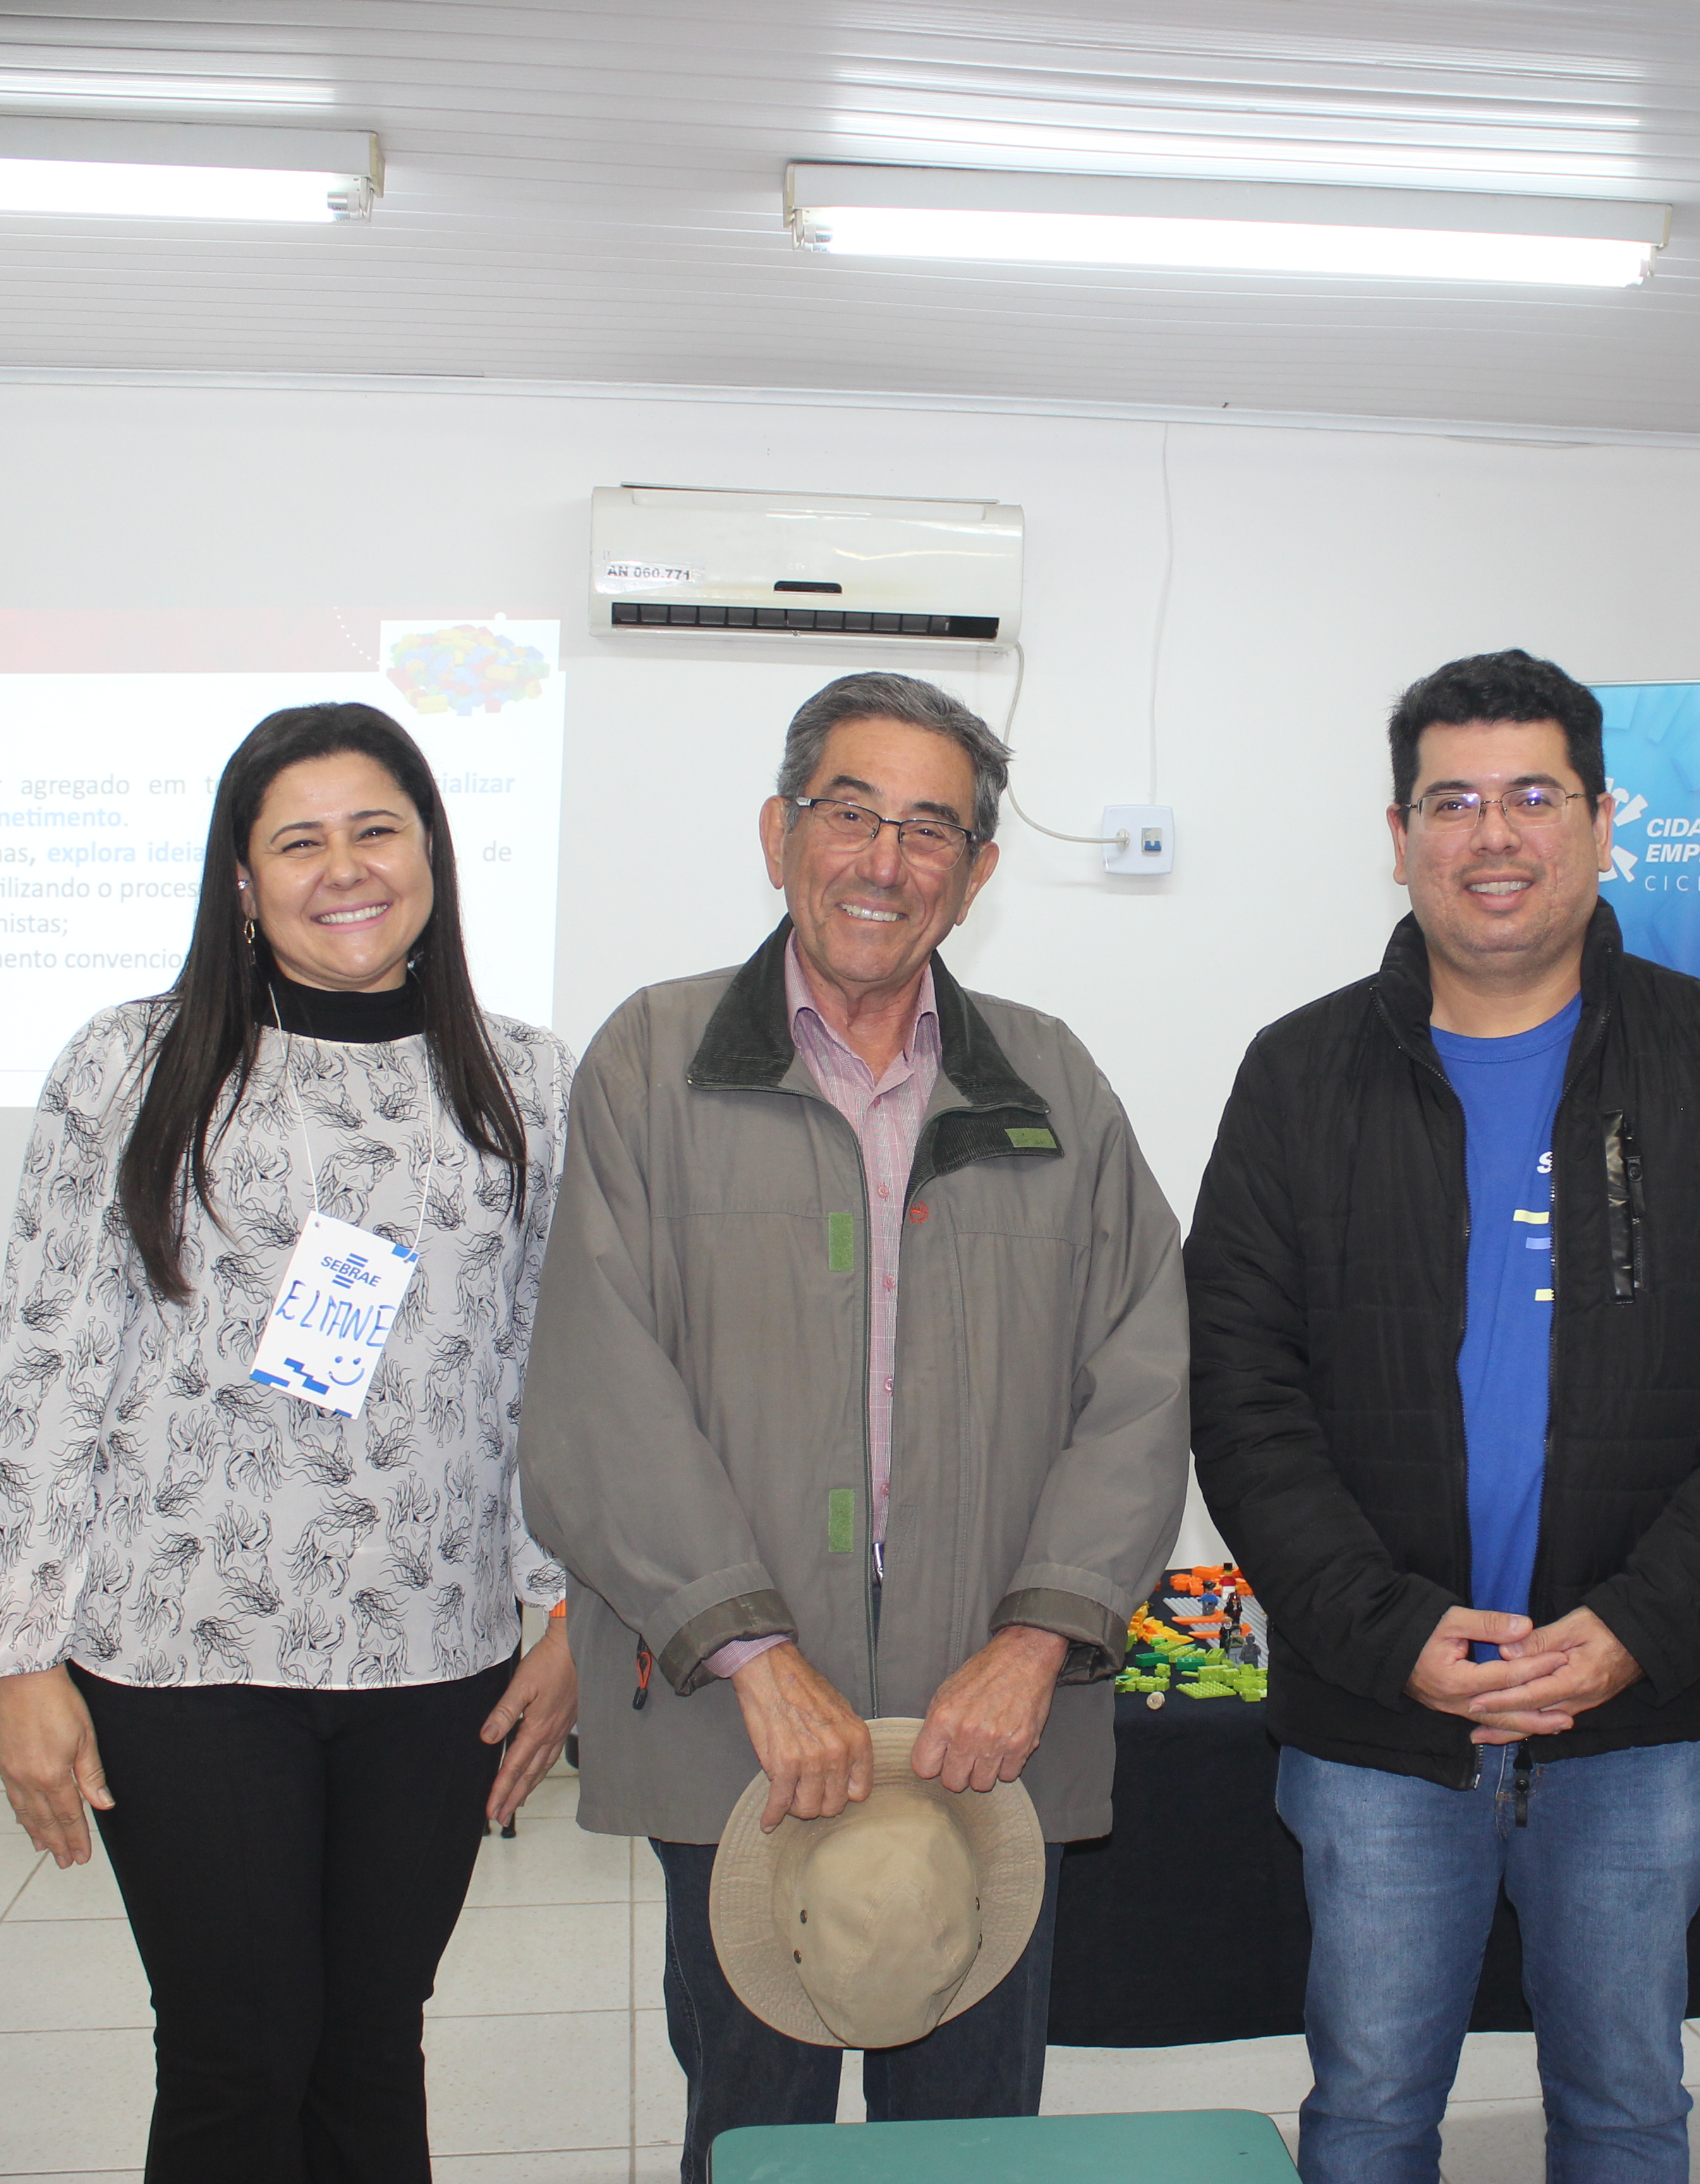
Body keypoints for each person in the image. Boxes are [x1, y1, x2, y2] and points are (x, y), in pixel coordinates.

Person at [1187, 649, 1700, 2184]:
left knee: (1628, 2111)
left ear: (1604, 819)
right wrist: (1388, 1631)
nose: (1493, 835)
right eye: (1454, 800)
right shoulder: (1300, 1076)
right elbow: (1238, 1389)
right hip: (1383, 1717)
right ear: (1398, 829)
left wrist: (1635, 1627)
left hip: (1636, 1706)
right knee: (1367, 2113)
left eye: (1533, 796)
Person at [519, 671, 1191, 2184]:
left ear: (979, 875)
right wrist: (751, 1654)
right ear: (779, 832)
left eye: (931, 828)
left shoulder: (1056, 1086)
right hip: (735, 1728)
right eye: (850, 812)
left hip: (987, 1732)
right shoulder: (653, 1062)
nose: (884, 860)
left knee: (965, 2145)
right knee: (752, 2133)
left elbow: (1147, 1380)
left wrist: (1035, 1647)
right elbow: (596, 1390)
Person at [0, 701, 580, 2184]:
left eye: (379, 829)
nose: (343, 868)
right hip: (185, 1658)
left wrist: (563, 1614)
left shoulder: (529, 1087)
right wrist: (20, 1656)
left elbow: (558, 1373)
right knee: (240, 2051)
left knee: (375, 2042)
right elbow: (44, 1364)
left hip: (435, 1656)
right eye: (299, 840)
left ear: (431, 853)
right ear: (241, 879)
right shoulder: (132, 1068)